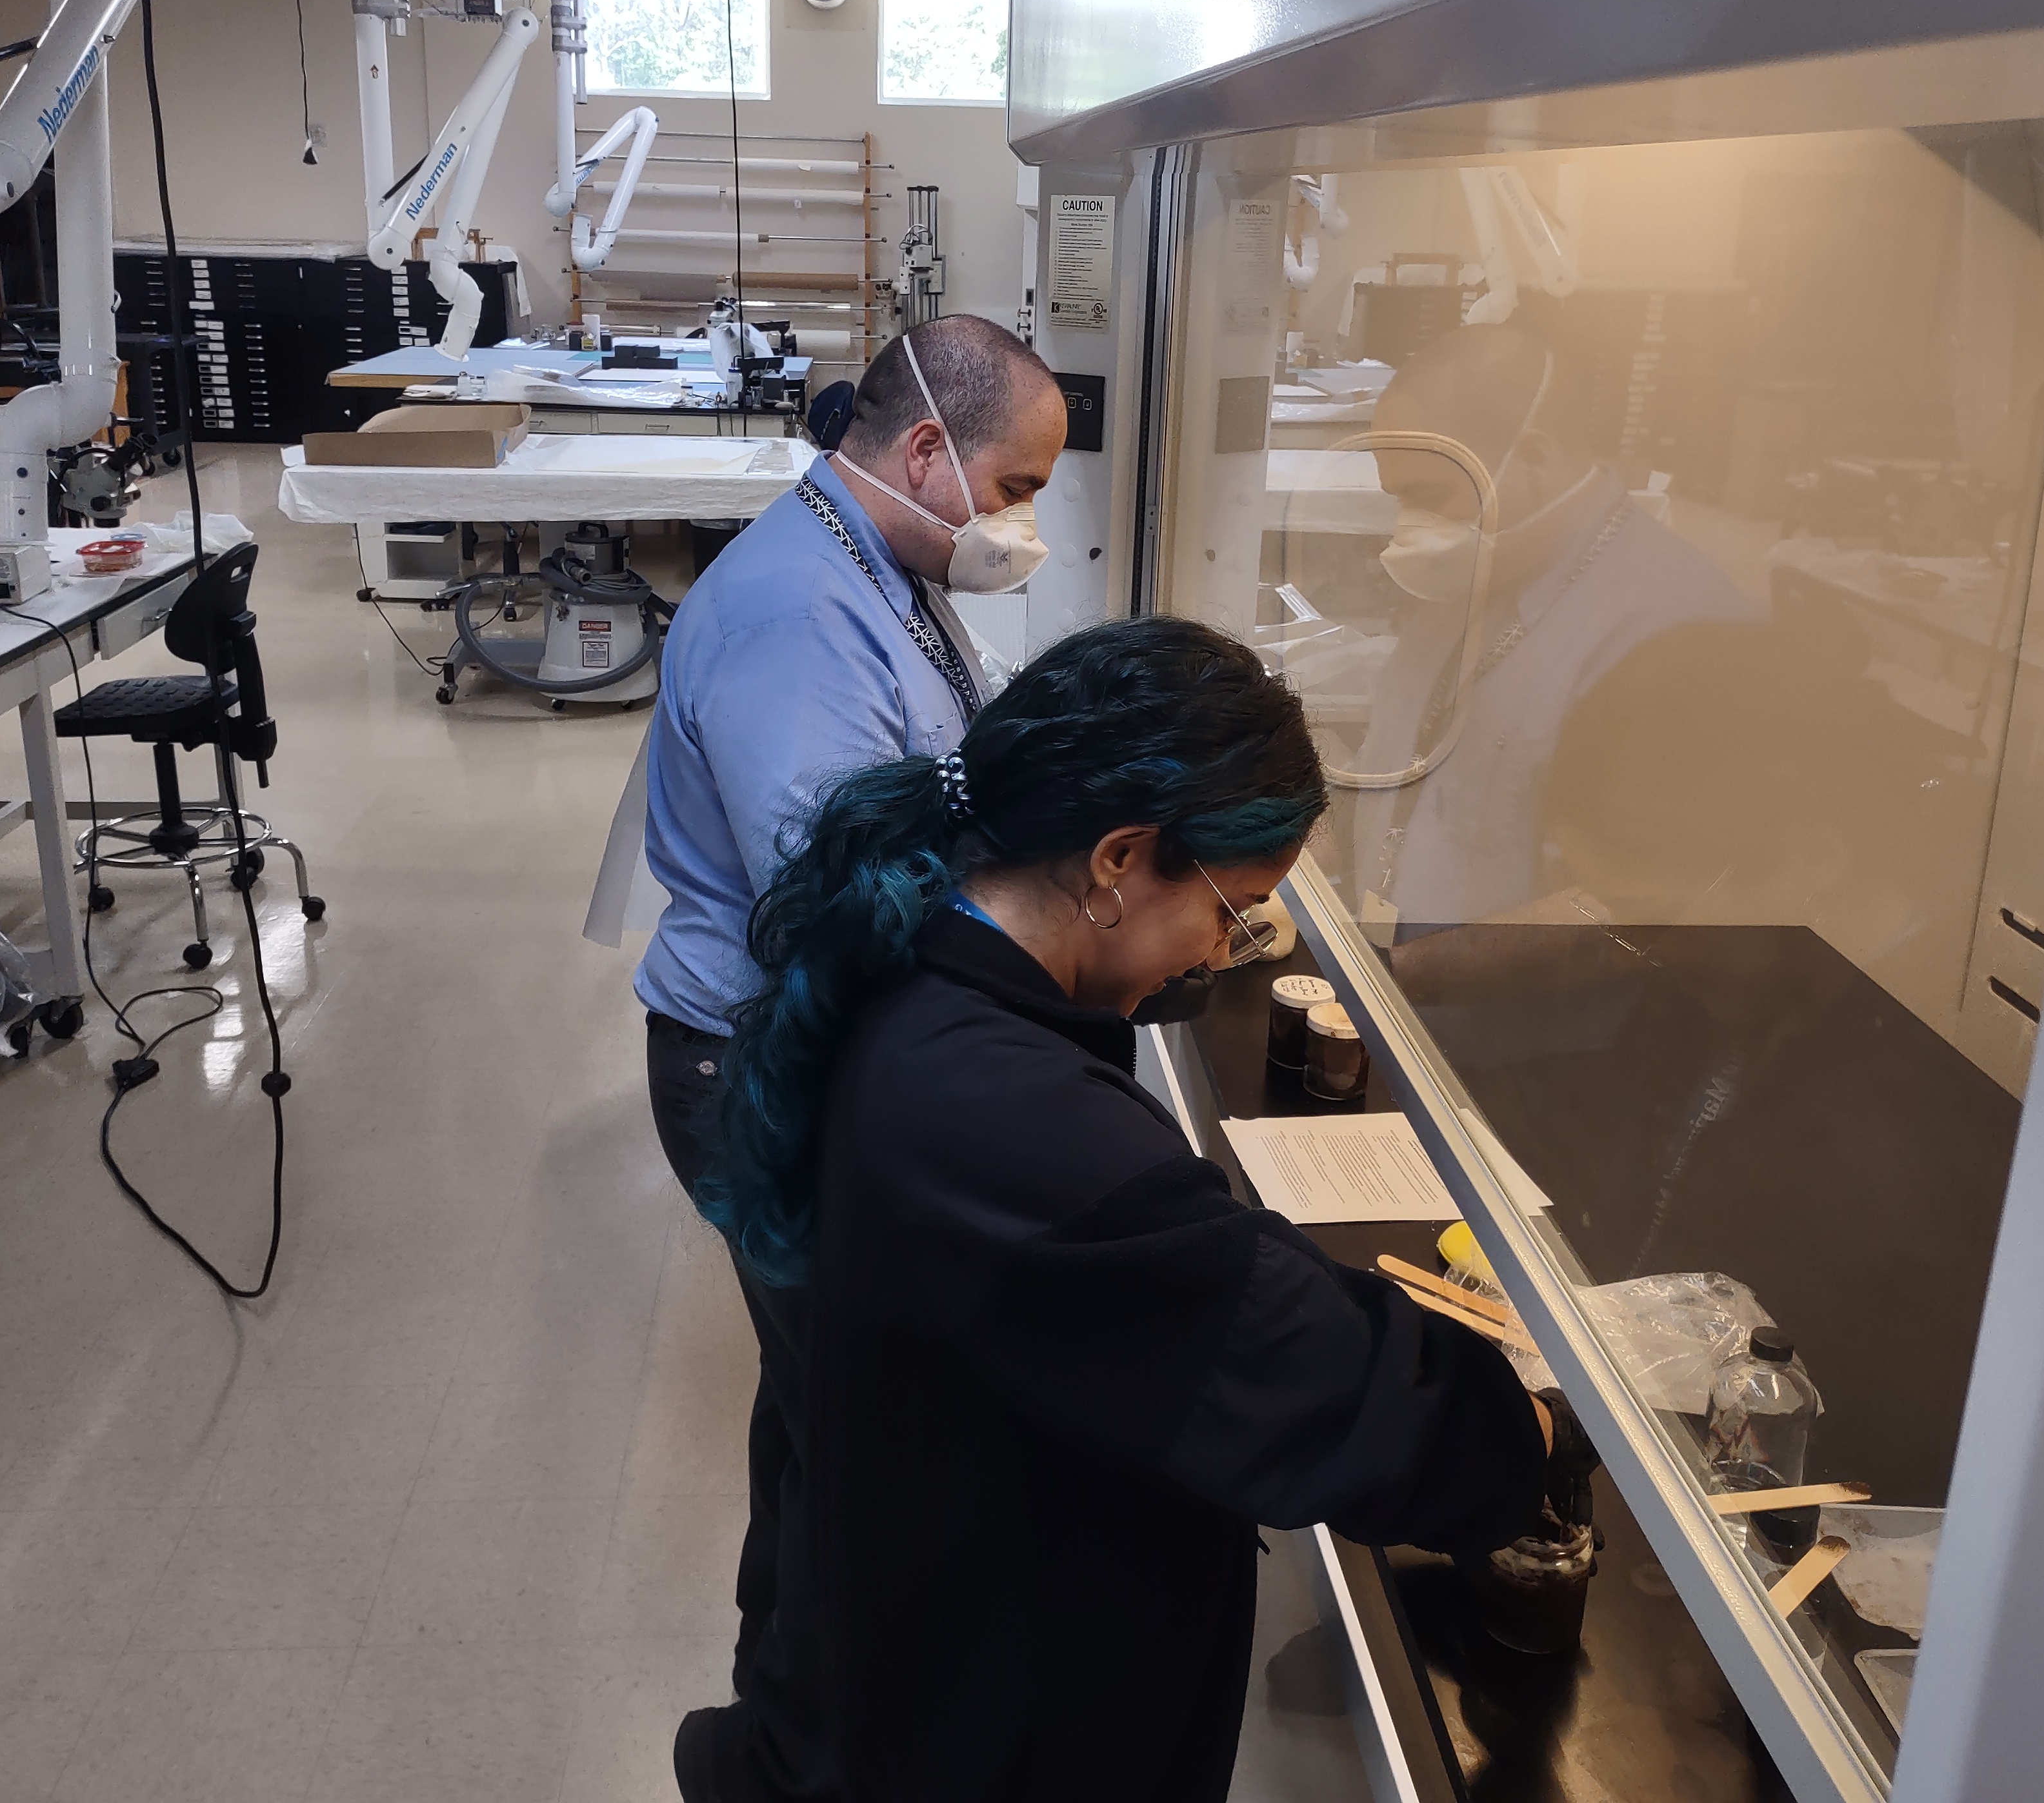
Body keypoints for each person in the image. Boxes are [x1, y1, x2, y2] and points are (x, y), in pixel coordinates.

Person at [678, 615, 1596, 1803]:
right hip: (967, 1723)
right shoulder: (1004, 1118)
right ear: (1118, 861)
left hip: (892, 1602)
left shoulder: (907, 957)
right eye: (1231, 906)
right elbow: (1298, 1375)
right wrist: (1526, 1433)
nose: (1221, 952)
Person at [632, 315, 1069, 1761]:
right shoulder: (794, 616)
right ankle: (805, 1746)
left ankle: (783, 1688)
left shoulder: (870, 558)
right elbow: (831, 891)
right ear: (928, 453)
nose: (1022, 525)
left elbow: (943, 757)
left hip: (801, 1042)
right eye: (1015, 488)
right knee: (867, 1427)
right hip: (751, 1063)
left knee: (823, 1400)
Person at [1334, 324, 1754, 929]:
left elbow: (1650, 902)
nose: (1410, 531)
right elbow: (1400, 766)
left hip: (1491, 1013)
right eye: (1399, 500)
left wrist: (1418, 973)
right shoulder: (1479, 567)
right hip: (1392, 980)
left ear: (1533, 455)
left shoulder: (1677, 630)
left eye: (1429, 496)